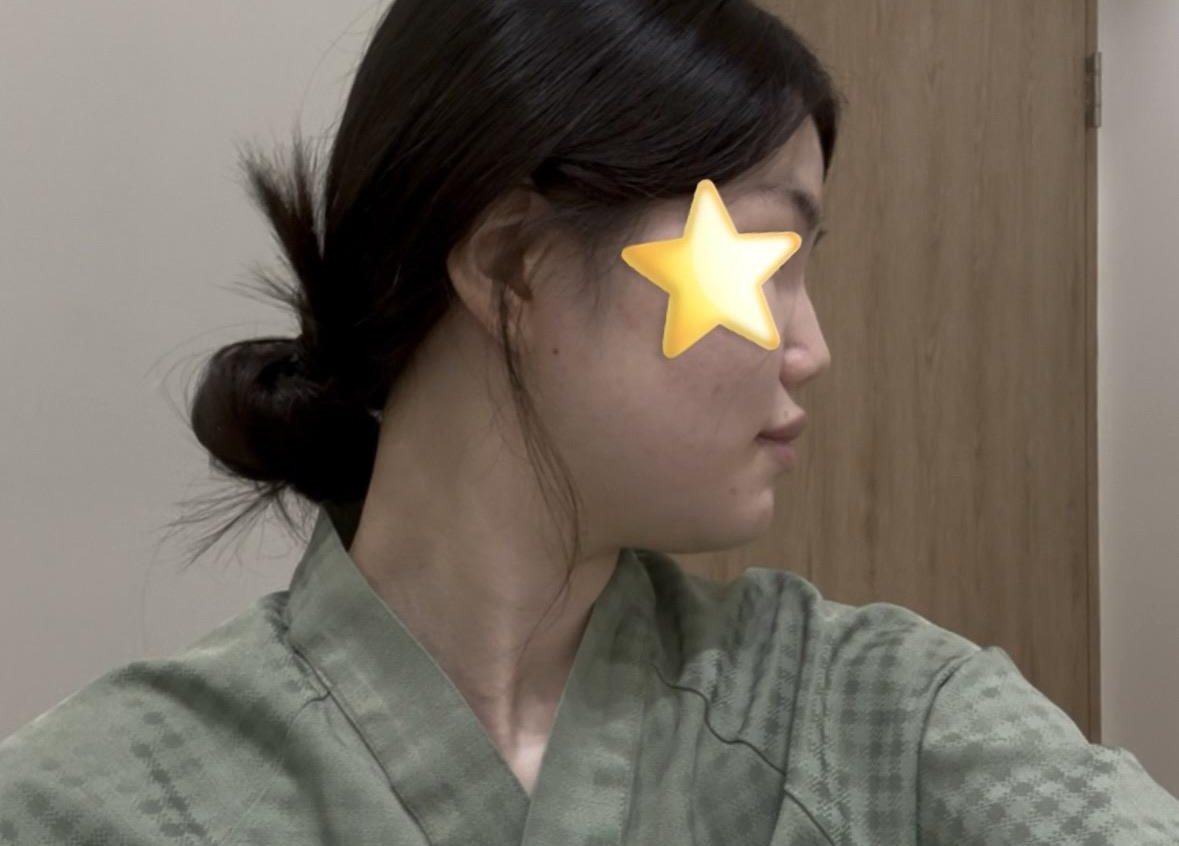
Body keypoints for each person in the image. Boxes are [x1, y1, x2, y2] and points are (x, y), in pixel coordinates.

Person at [4, 0, 1179, 843]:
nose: (813, 348)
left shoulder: (884, 715)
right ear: (513, 265)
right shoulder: (99, 803)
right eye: (766, 259)